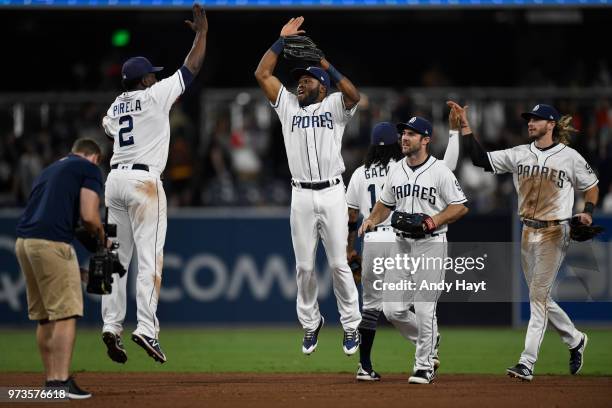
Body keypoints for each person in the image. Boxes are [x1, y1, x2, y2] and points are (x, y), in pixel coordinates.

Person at [451, 101, 597, 381]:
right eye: (529, 119)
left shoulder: (570, 157)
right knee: (539, 297)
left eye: (537, 119)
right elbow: (481, 159)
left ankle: (526, 363)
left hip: (556, 231)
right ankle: (575, 339)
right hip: (527, 231)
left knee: (537, 298)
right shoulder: (520, 154)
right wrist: (466, 127)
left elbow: (592, 187)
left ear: (551, 124)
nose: (530, 123)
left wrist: (588, 213)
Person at [100, 4, 208, 364]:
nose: (153, 79)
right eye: (151, 76)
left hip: (114, 179)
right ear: (145, 79)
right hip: (144, 181)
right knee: (150, 258)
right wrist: (201, 35)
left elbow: (107, 126)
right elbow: (190, 68)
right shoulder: (154, 95)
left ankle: (110, 325)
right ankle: (147, 329)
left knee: (113, 258)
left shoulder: (116, 105)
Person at [254, 16, 362, 355]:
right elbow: (262, 74)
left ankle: (351, 326)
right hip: (300, 194)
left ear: (321, 85)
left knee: (338, 265)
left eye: (307, 79)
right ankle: (311, 323)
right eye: (298, 80)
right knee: (303, 267)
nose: (300, 83)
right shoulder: (287, 106)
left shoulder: (332, 105)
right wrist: (281, 41)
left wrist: (323, 63)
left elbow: (354, 94)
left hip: (332, 192)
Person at [346, 113, 461, 381]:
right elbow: (384, 203)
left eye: (410, 134)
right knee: (393, 309)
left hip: (426, 243)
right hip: (398, 241)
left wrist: (433, 221)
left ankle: (423, 364)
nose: (405, 138)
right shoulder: (397, 168)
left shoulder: (435, 170)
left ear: (425, 139)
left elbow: (459, 204)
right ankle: (428, 340)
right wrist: (373, 218)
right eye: (403, 134)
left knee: (417, 307)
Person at [15, 138, 104, 399]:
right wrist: (103, 241)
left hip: (25, 243)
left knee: (45, 317)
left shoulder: (49, 170)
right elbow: (89, 215)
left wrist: (78, 272)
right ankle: (60, 384)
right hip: (52, 244)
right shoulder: (89, 169)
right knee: (66, 313)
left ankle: (51, 381)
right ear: (94, 157)